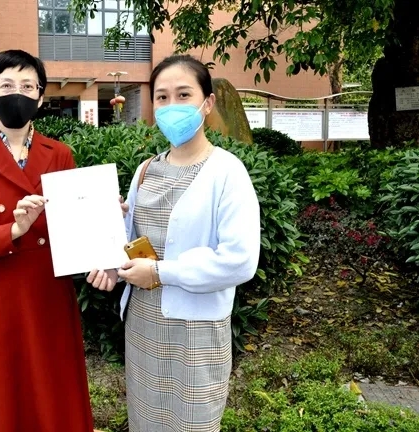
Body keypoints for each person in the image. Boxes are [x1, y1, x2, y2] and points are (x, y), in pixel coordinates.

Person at [87, 54, 261, 432]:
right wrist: (111, 254)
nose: (171, 105)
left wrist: (160, 272)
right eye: (162, 97)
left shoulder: (227, 172)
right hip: (143, 324)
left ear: (207, 103)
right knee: (146, 420)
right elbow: (134, 244)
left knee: (192, 422)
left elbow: (240, 260)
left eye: (184, 95)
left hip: (195, 334)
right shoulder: (146, 169)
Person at [0, 49, 95, 432]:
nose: (18, 94)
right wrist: (12, 231)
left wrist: (102, 217)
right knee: (1, 400)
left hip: (48, 295)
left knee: (52, 397)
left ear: (41, 97)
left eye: (28, 86)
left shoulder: (59, 154)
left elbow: (75, 230)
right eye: (7, 85)